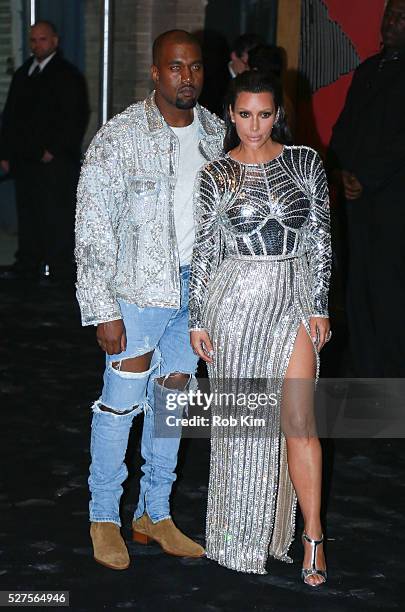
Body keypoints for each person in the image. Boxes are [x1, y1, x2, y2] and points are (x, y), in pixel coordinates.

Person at [75, 30, 224, 570]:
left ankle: (154, 513)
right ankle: (103, 517)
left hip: (195, 295)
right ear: (156, 73)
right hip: (136, 294)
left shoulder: (216, 131)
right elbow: (92, 229)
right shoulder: (120, 137)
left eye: (196, 67)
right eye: (176, 67)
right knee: (119, 406)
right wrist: (102, 308)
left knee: (171, 403)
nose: (188, 77)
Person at [189, 71, 331, 585]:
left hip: (292, 296)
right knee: (243, 428)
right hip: (236, 307)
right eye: (245, 114)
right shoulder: (216, 175)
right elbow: (205, 251)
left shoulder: (305, 163)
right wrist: (198, 319)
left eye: (264, 114)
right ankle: (234, 536)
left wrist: (319, 305)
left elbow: (319, 239)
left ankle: (312, 536)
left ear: (278, 115)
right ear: (230, 113)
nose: (254, 125)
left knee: (299, 423)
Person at [328, 0, 405, 377]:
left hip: (393, 209)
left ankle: (392, 397)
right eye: (389, 14)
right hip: (356, 209)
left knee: (391, 301)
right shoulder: (369, 69)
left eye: (402, 17)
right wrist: (338, 170)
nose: (391, 22)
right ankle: (365, 389)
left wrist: (367, 177)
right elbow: (343, 130)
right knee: (357, 298)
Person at [0, 20, 89, 281]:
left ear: (55, 41)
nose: (37, 45)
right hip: (24, 160)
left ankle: (60, 268)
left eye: (42, 39)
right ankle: (27, 263)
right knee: (28, 213)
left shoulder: (67, 75)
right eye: (33, 40)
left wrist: (53, 150)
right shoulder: (24, 73)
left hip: (55, 162)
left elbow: (74, 117)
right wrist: (5, 153)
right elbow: (10, 117)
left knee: (56, 215)